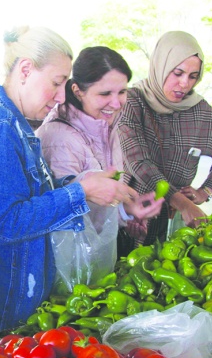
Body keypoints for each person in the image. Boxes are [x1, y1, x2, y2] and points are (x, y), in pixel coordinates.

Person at [0, 26, 139, 356]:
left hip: (1, 299)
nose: (60, 96)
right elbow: (6, 221)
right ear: (26, 70)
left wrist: (80, 187)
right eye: (56, 83)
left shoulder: (12, 123)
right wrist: (80, 191)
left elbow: (27, 197)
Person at [36, 46, 164, 256]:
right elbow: (61, 213)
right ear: (77, 91)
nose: (116, 103)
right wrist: (123, 210)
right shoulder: (59, 138)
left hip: (96, 252)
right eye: (105, 93)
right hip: (70, 259)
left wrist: (127, 210)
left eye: (122, 92)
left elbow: (99, 204)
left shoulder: (108, 126)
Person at [118, 31, 212, 244]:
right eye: (178, 73)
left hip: (173, 219)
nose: (185, 84)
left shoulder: (199, 111)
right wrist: (184, 203)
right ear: (161, 66)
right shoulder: (133, 101)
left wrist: (206, 191)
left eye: (193, 76)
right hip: (131, 214)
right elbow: (139, 162)